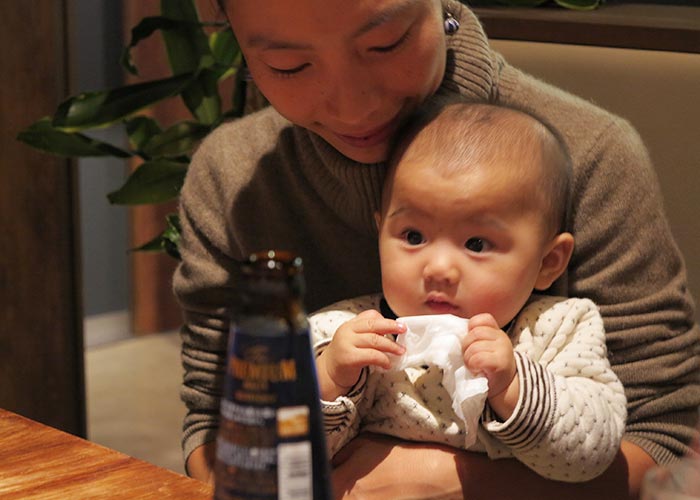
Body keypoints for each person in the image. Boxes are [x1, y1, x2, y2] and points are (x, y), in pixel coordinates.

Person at [173, 0, 700, 497]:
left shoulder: (589, 158)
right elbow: (217, 425)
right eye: (288, 65)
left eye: (386, 43)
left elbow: (664, 439)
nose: (355, 105)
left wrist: (444, 480)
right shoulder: (234, 178)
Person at [309, 101, 628, 483]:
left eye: (477, 244)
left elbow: (592, 454)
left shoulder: (558, 329)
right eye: (413, 236)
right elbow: (273, 453)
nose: (439, 268)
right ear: (380, 234)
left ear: (548, 262)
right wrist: (329, 377)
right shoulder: (343, 334)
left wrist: (512, 386)